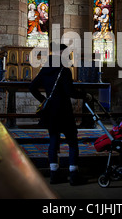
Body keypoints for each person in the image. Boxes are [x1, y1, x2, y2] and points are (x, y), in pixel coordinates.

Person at [29, 43, 91, 185]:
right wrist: (85, 96)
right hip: (64, 110)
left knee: (53, 140)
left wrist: (44, 100)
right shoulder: (65, 71)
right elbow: (70, 92)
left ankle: (54, 174)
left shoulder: (45, 70)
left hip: (51, 111)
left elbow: (32, 87)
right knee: (72, 141)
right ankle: (74, 175)